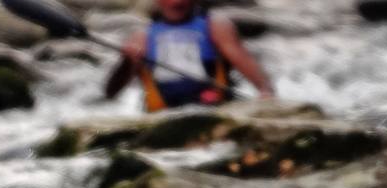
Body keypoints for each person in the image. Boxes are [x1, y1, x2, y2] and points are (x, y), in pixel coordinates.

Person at [104, 0, 274, 112]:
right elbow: (111, 93)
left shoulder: (216, 26)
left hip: (211, 108)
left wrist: (265, 92)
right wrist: (127, 61)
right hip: (163, 115)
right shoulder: (142, 36)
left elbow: (245, 63)